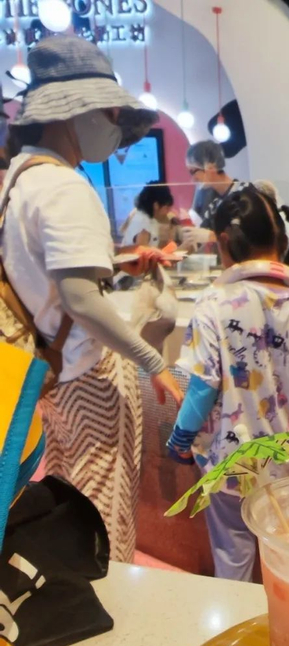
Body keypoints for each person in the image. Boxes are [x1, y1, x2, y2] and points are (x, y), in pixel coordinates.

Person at [1, 36, 183, 563]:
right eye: (109, 111)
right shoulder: (65, 186)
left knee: (66, 494)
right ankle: (107, 597)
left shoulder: (21, 177)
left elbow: (46, 273)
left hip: (51, 372)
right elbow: (80, 298)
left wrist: (118, 264)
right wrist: (152, 362)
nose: (114, 123)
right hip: (91, 376)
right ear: (72, 112)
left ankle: (68, 588)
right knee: (104, 509)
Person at [167, 185, 289, 581]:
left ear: (224, 241)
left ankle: (237, 617)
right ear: (280, 240)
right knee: (283, 564)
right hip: (287, 465)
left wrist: (179, 442)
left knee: (232, 559)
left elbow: (202, 390)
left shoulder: (213, 305)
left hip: (229, 466)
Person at [183, 140, 239, 249]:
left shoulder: (243, 196)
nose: (193, 179)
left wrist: (211, 236)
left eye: (193, 171)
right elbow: (199, 236)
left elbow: (244, 237)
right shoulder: (214, 204)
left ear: (210, 166)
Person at [121, 182, 176, 248]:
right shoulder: (143, 224)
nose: (168, 212)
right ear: (156, 205)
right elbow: (143, 251)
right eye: (166, 208)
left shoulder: (149, 219)